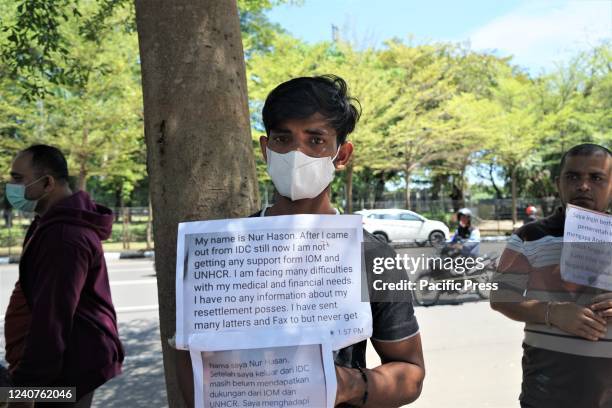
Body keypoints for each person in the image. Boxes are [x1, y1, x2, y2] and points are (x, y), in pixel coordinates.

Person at [176, 75, 425, 407]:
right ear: (266, 149)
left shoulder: (369, 255)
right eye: (283, 138)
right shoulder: (220, 253)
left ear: (342, 154)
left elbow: (411, 373)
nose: (296, 153)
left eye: (316, 140)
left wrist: (348, 384)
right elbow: (190, 362)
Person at [490, 143, 612, 408]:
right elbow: (500, 297)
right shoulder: (529, 236)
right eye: (573, 177)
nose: (583, 185)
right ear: (559, 183)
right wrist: (552, 312)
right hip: (545, 393)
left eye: (596, 177)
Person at [3, 145, 124, 407]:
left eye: (17, 178)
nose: (9, 185)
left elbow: (52, 319)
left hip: (66, 371)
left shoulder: (64, 238)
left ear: (47, 183)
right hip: (58, 366)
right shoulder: (48, 224)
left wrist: (26, 391)